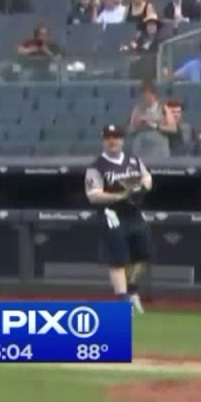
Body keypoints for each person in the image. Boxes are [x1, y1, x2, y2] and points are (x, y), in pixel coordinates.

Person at [83, 124, 153, 314]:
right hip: (112, 214)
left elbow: (147, 178)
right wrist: (119, 195)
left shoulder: (133, 161)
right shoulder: (97, 166)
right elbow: (93, 194)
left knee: (144, 255)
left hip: (134, 213)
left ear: (122, 139)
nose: (112, 141)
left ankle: (131, 290)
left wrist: (143, 187)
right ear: (103, 140)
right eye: (108, 137)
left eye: (116, 137)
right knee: (118, 259)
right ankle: (123, 302)